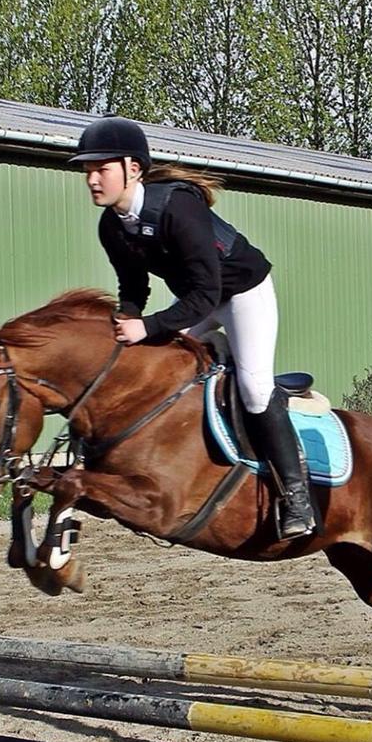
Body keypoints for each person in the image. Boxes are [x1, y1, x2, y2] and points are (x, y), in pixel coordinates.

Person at [68, 114, 316, 540]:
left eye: (101, 168)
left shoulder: (179, 208)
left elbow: (207, 292)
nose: (92, 179)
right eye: (88, 171)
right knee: (146, 362)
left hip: (241, 294)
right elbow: (133, 285)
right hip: (197, 300)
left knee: (255, 389)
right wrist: (127, 319)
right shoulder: (111, 225)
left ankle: (297, 498)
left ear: (132, 168)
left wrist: (148, 328)